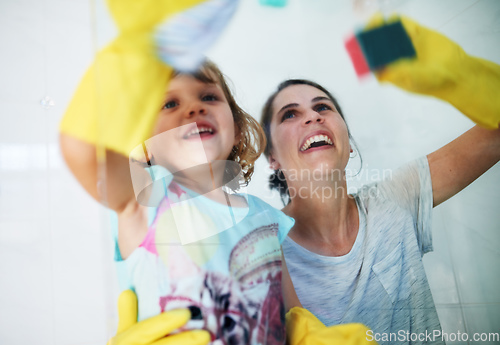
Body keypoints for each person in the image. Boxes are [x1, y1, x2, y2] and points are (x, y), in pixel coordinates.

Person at [259, 16, 500, 344]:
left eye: (323, 107)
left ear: (347, 139)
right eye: (290, 114)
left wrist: (430, 62)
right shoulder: (263, 249)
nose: (313, 117)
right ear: (272, 156)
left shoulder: (394, 198)